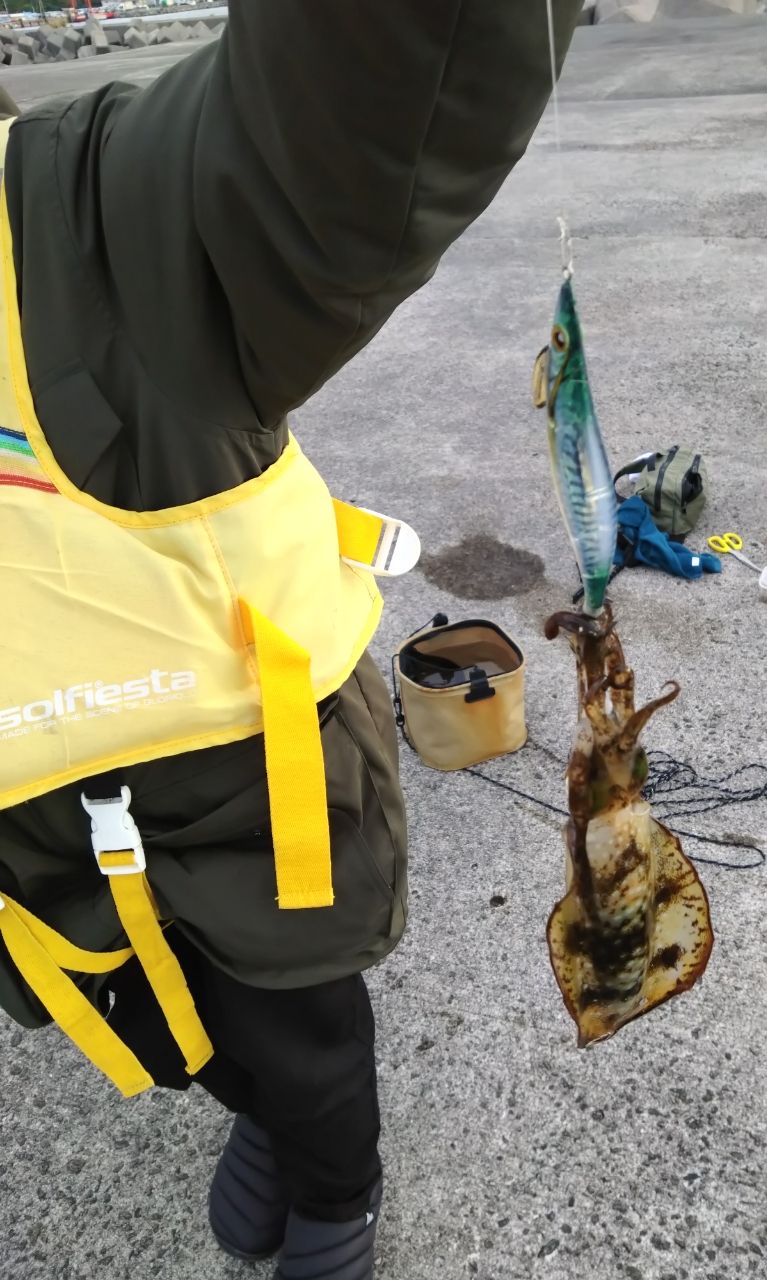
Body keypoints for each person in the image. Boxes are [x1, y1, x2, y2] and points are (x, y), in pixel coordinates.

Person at [0, 5, 581, 1279]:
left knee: (303, 1034)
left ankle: (338, 1176)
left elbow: (345, 113)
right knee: (153, 1011)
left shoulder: (85, 209)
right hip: (31, 840)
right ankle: (262, 1116)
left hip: (246, 794)